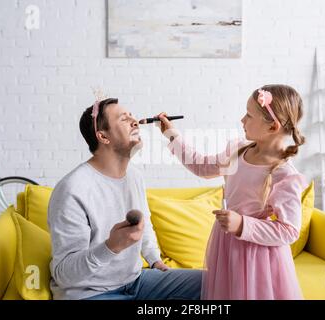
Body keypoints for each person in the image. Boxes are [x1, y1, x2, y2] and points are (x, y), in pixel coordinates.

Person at [156, 85, 308, 299]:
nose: (242, 120)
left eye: (249, 115)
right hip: (227, 248)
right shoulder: (238, 151)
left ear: (272, 127)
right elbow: (203, 166)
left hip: (258, 258)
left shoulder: (284, 174)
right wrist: (173, 136)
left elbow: (289, 231)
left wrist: (242, 224)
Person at [48, 97, 201, 300]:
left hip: (135, 282)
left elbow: (143, 228)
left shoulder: (134, 176)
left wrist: (155, 260)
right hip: (89, 293)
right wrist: (111, 246)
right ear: (103, 137)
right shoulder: (72, 189)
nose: (135, 121)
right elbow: (64, 275)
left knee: (217, 282)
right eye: (123, 119)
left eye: (132, 116)